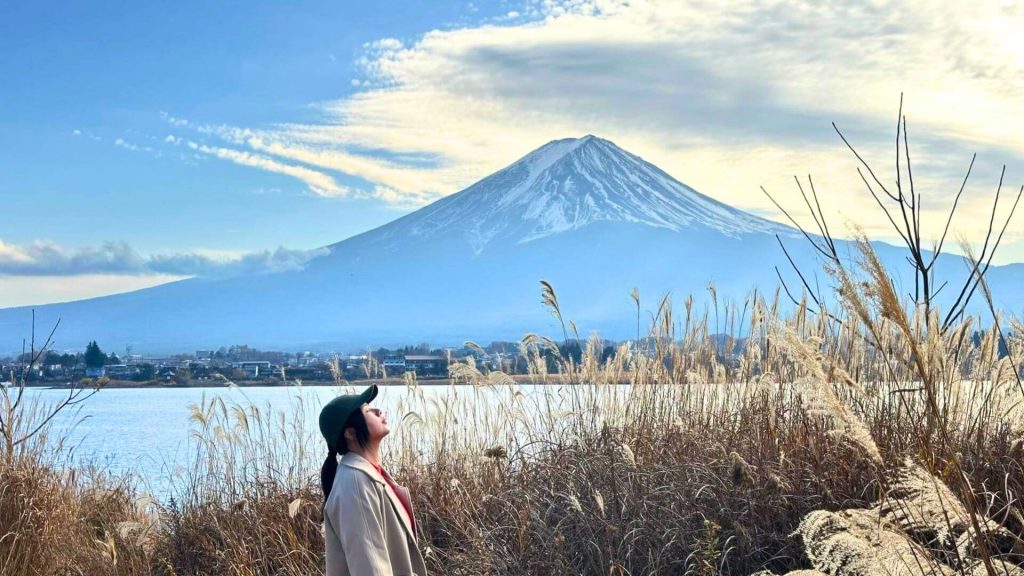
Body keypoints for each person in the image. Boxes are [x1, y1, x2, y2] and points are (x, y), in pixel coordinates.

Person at [319, 384, 427, 576]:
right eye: (367, 410)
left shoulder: (368, 474)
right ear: (350, 433)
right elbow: (370, 568)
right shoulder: (355, 484)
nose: (378, 410)